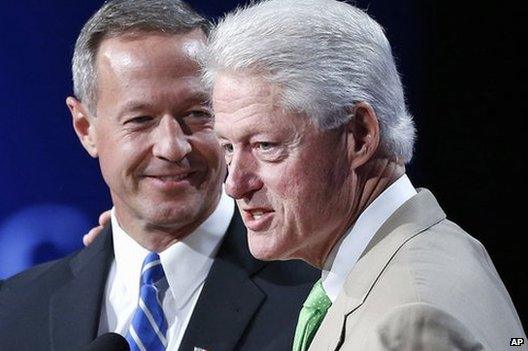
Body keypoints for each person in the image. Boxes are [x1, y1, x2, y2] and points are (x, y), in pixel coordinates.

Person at [0, 1, 319, 350]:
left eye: (198, 114)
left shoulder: (315, 292)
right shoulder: (16, 311)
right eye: (141, 119)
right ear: (85, 127)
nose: (172, 146)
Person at [200, 0, 526, 350]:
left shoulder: (412, 318)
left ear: (359, 135)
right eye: (229, 148)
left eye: (265, 146)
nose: (235, 185)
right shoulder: (424, 253)